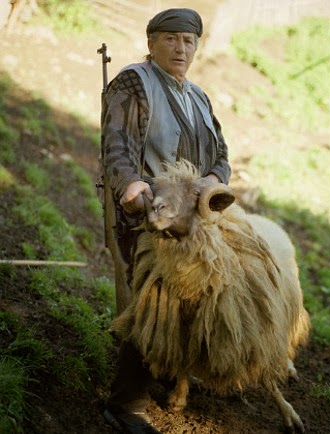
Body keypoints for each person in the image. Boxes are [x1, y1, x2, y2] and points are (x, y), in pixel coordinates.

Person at [100, 8, 231, 434]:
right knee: (153, 301)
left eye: (188, 41)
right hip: (148, 213)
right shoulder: (134, 81)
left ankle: (168, 368)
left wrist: (211, 182)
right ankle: (126, 403)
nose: (181, 48)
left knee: (193, 298)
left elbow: (221, 157)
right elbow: (117, 144)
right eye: (171, 39)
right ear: (152, 42)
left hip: (192, 221)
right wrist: (131, 187)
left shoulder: (199, 97)